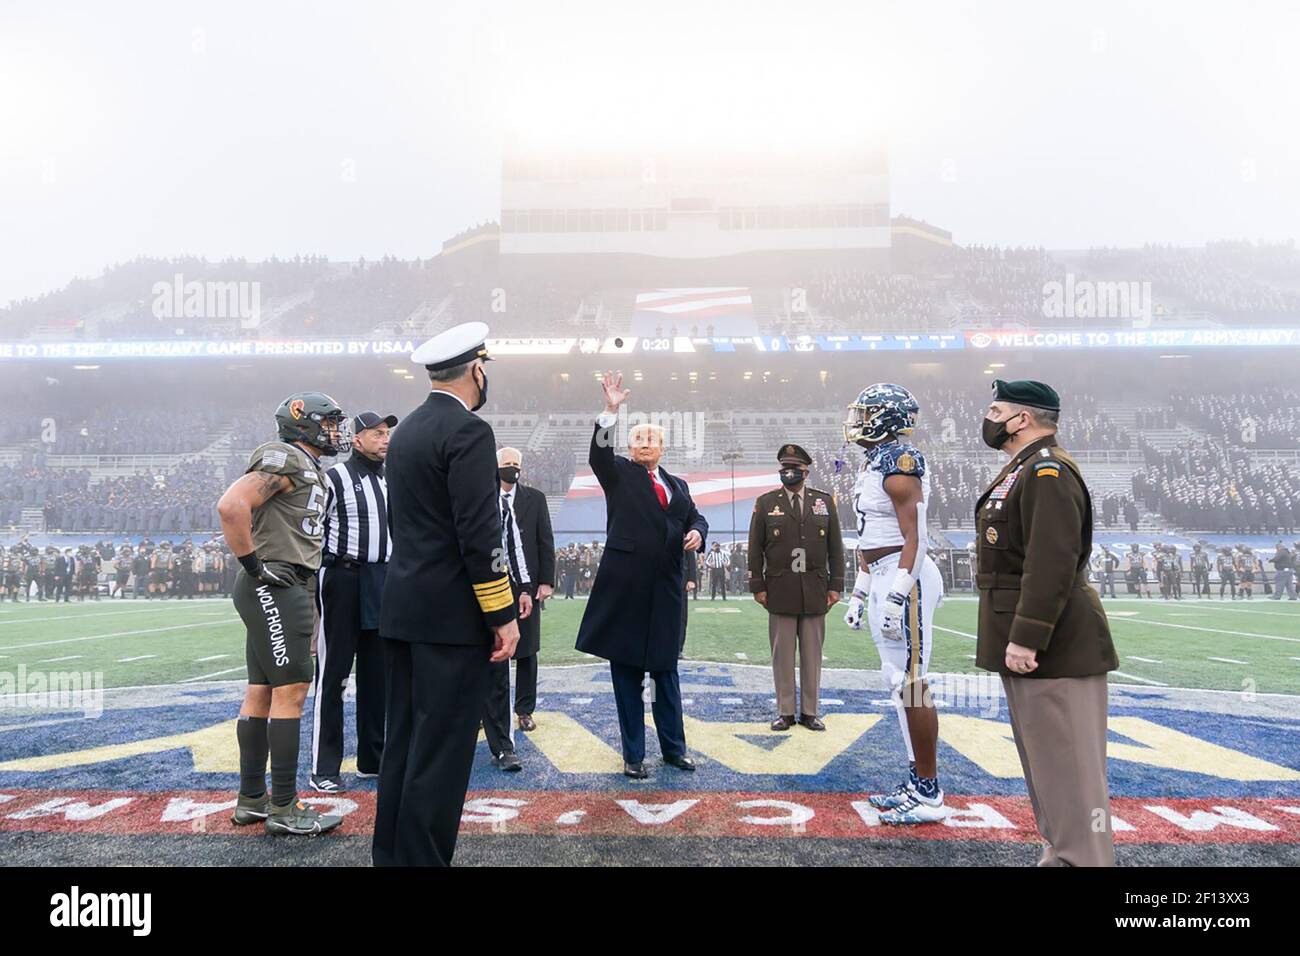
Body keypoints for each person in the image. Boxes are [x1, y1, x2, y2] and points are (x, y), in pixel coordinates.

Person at [374, 322, 520, 867]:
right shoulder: (469, 432)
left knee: (405, 746)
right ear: (476, 370)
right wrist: (502, 613)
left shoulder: (407, 429)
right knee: (442, 754)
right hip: (450, 620)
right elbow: (479, 536)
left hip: (404, 609)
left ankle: (391, 857)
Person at [974, 379, 1119, 867]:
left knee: (1072, 777)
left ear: (1023, 418)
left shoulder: (1046, 472)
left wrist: (1026, 637)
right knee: (1049, 772)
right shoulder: (1024, 470)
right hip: (1035, 646)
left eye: (997, 409)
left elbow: (1052, 561)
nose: (989, 418)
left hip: (1055, 648)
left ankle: (1084, 859)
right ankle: (1061, 856)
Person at [217, 390, 352, 836]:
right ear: (302, 422)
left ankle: (253, 799)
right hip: (279, 582)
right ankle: (283, 806)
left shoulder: (309, 466)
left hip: (278, 583)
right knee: (292, 691)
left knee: (261, 689)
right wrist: (255, 567)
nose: (336, 430)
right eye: (328, 422)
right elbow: (232, 505)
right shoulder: (286, 458)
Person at [575, 371, 708, 779]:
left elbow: (696, 516)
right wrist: (610, 412)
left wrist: (698, 533)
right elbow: (599, 454)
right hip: (627, 589)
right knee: (628, 676)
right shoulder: (618, 473)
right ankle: (633, 755)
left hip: (667, 591)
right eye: (638, 439)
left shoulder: (678, 484)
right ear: (629, 447)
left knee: (667, 674)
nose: (645, 443)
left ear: (663, 448)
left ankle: (674, 749)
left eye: (652, 439)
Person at [840, 384, 946, 824]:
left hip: (908, 576)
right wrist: (861, 592)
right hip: (885, 574)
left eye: (866, 412)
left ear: (884, 417)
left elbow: (913, 536)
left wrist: (899, 591)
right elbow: (872, 538)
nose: (857, 420)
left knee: (913, 682)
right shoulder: (874, 462)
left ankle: (929, 792)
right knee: (896, 681)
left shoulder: (899, 462)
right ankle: (916, 780)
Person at [309, 411, 398, 793]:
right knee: (334, 676)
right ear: (356, 439)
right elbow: (313, 533)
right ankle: (324, 767)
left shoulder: (391, 480)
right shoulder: (334, 478)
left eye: (387, 433)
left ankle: (371, 760)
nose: (385, 439)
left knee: (378, 678)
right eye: (377, 433)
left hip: (383, 580)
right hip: (343, 578)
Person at [748, 443, 843, 732]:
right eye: (784, 468)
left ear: (806, 471)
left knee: (812, 656)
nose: (788, 473)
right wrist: (757, 585)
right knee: (783, 655)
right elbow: (755, 548)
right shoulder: (766, 503)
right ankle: (785, 712)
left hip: (815, 588)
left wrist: (836, 584)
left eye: (794, 469)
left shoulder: (824, 502)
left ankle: (810, 712)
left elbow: (835, 548)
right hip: (779, 589)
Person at [481, 445, 555, 770]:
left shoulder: (532, 500)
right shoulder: (481, 498)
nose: (512, 468)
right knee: (487, 653)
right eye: (506, 464)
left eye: (516, 464)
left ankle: (521, 714)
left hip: (521, 585)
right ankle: (480, 714)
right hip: (483, 585)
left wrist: (538, 584)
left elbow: (538, 543)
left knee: (524, 650)